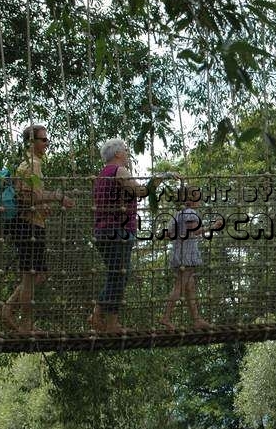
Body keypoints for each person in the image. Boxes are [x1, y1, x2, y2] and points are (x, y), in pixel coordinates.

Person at [0, 124, 75, 333]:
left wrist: (43, 206)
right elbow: (35, 197)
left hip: (31, 222)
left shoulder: (28, 164)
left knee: (39, 274)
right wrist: (58, 197)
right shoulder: (32, 164)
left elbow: (29, 197)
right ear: (32, 142)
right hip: (29, 226)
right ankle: (25, 325)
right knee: (31, 275)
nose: (47, 143)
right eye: (43, 140)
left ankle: (8, 308)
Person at [89, 138, 163, 333]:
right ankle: (106, 318)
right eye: (126, 150)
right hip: (118, 231)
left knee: (117, 274)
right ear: (118, 154)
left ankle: (104, 317)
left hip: (102, 231)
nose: (128, 154)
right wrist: (158, 180)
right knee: (120, 275)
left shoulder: (101, 175)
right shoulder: (119, 171)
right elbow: (140, 191)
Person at [159, 186, 221, 330]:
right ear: (190, 200)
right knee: (179, 287)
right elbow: (195, 230)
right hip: (186, 257)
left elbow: (168, 234)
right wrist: (214, 226)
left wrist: (180, 236)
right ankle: (165, 317)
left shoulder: (177, 214)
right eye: (198, 197)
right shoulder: (191, 213)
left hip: (178, 254)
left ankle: (197, 319)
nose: (200, 200)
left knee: (190, 287)